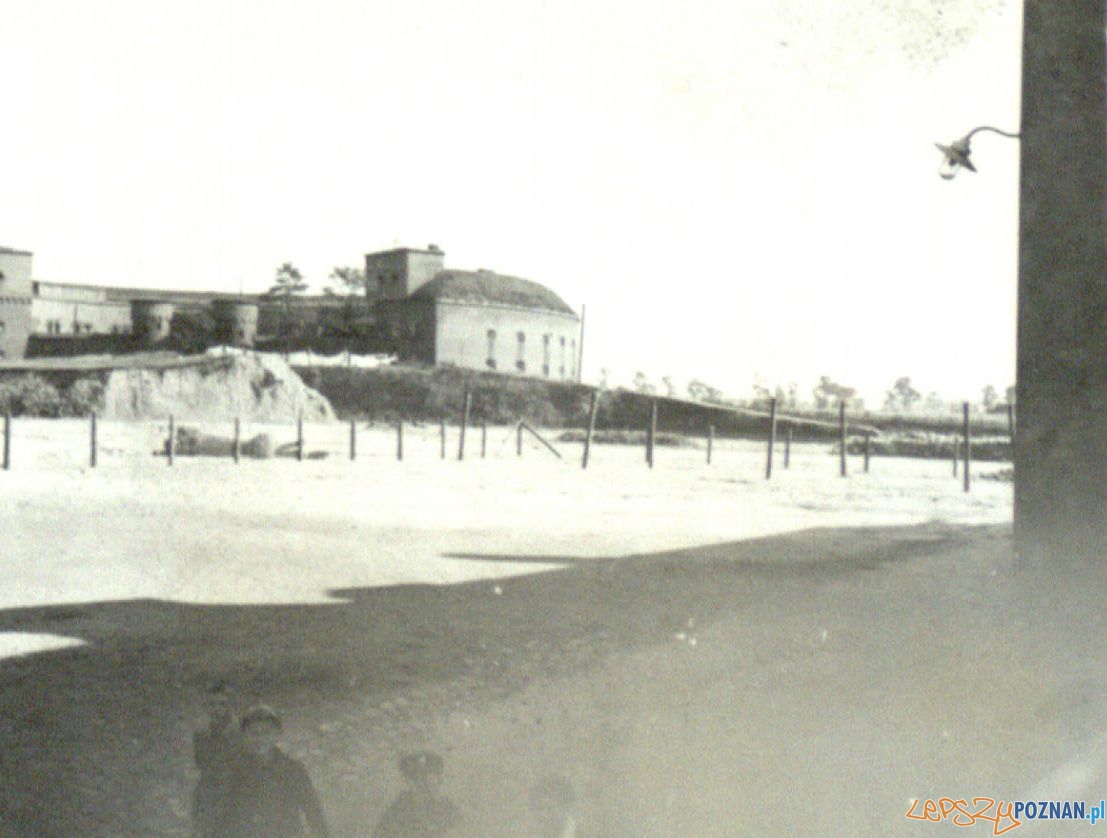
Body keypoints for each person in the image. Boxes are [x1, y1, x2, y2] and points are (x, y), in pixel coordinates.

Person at [222, 704, 330, 837]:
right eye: (254, 734)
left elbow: (313, 811)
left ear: (277, 735)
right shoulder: (238, 770)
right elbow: (228, 814)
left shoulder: (293, 769)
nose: (260, 739)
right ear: (245, 736)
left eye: (266, 733)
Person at [191, 681, 244, 838]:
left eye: (222, 704)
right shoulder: (201, 732)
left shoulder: (239, 731)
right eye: (212, 704)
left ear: (230, 706)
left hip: (235, 790)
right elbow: (200, 762)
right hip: (209, 791)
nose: (216, 709)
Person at [372, 751, 462, 837]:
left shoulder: (449, 811)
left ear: (439, 781)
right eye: (418, 780)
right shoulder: (395, 814)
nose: (423, 785)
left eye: (429, 781)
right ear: (408, 782)